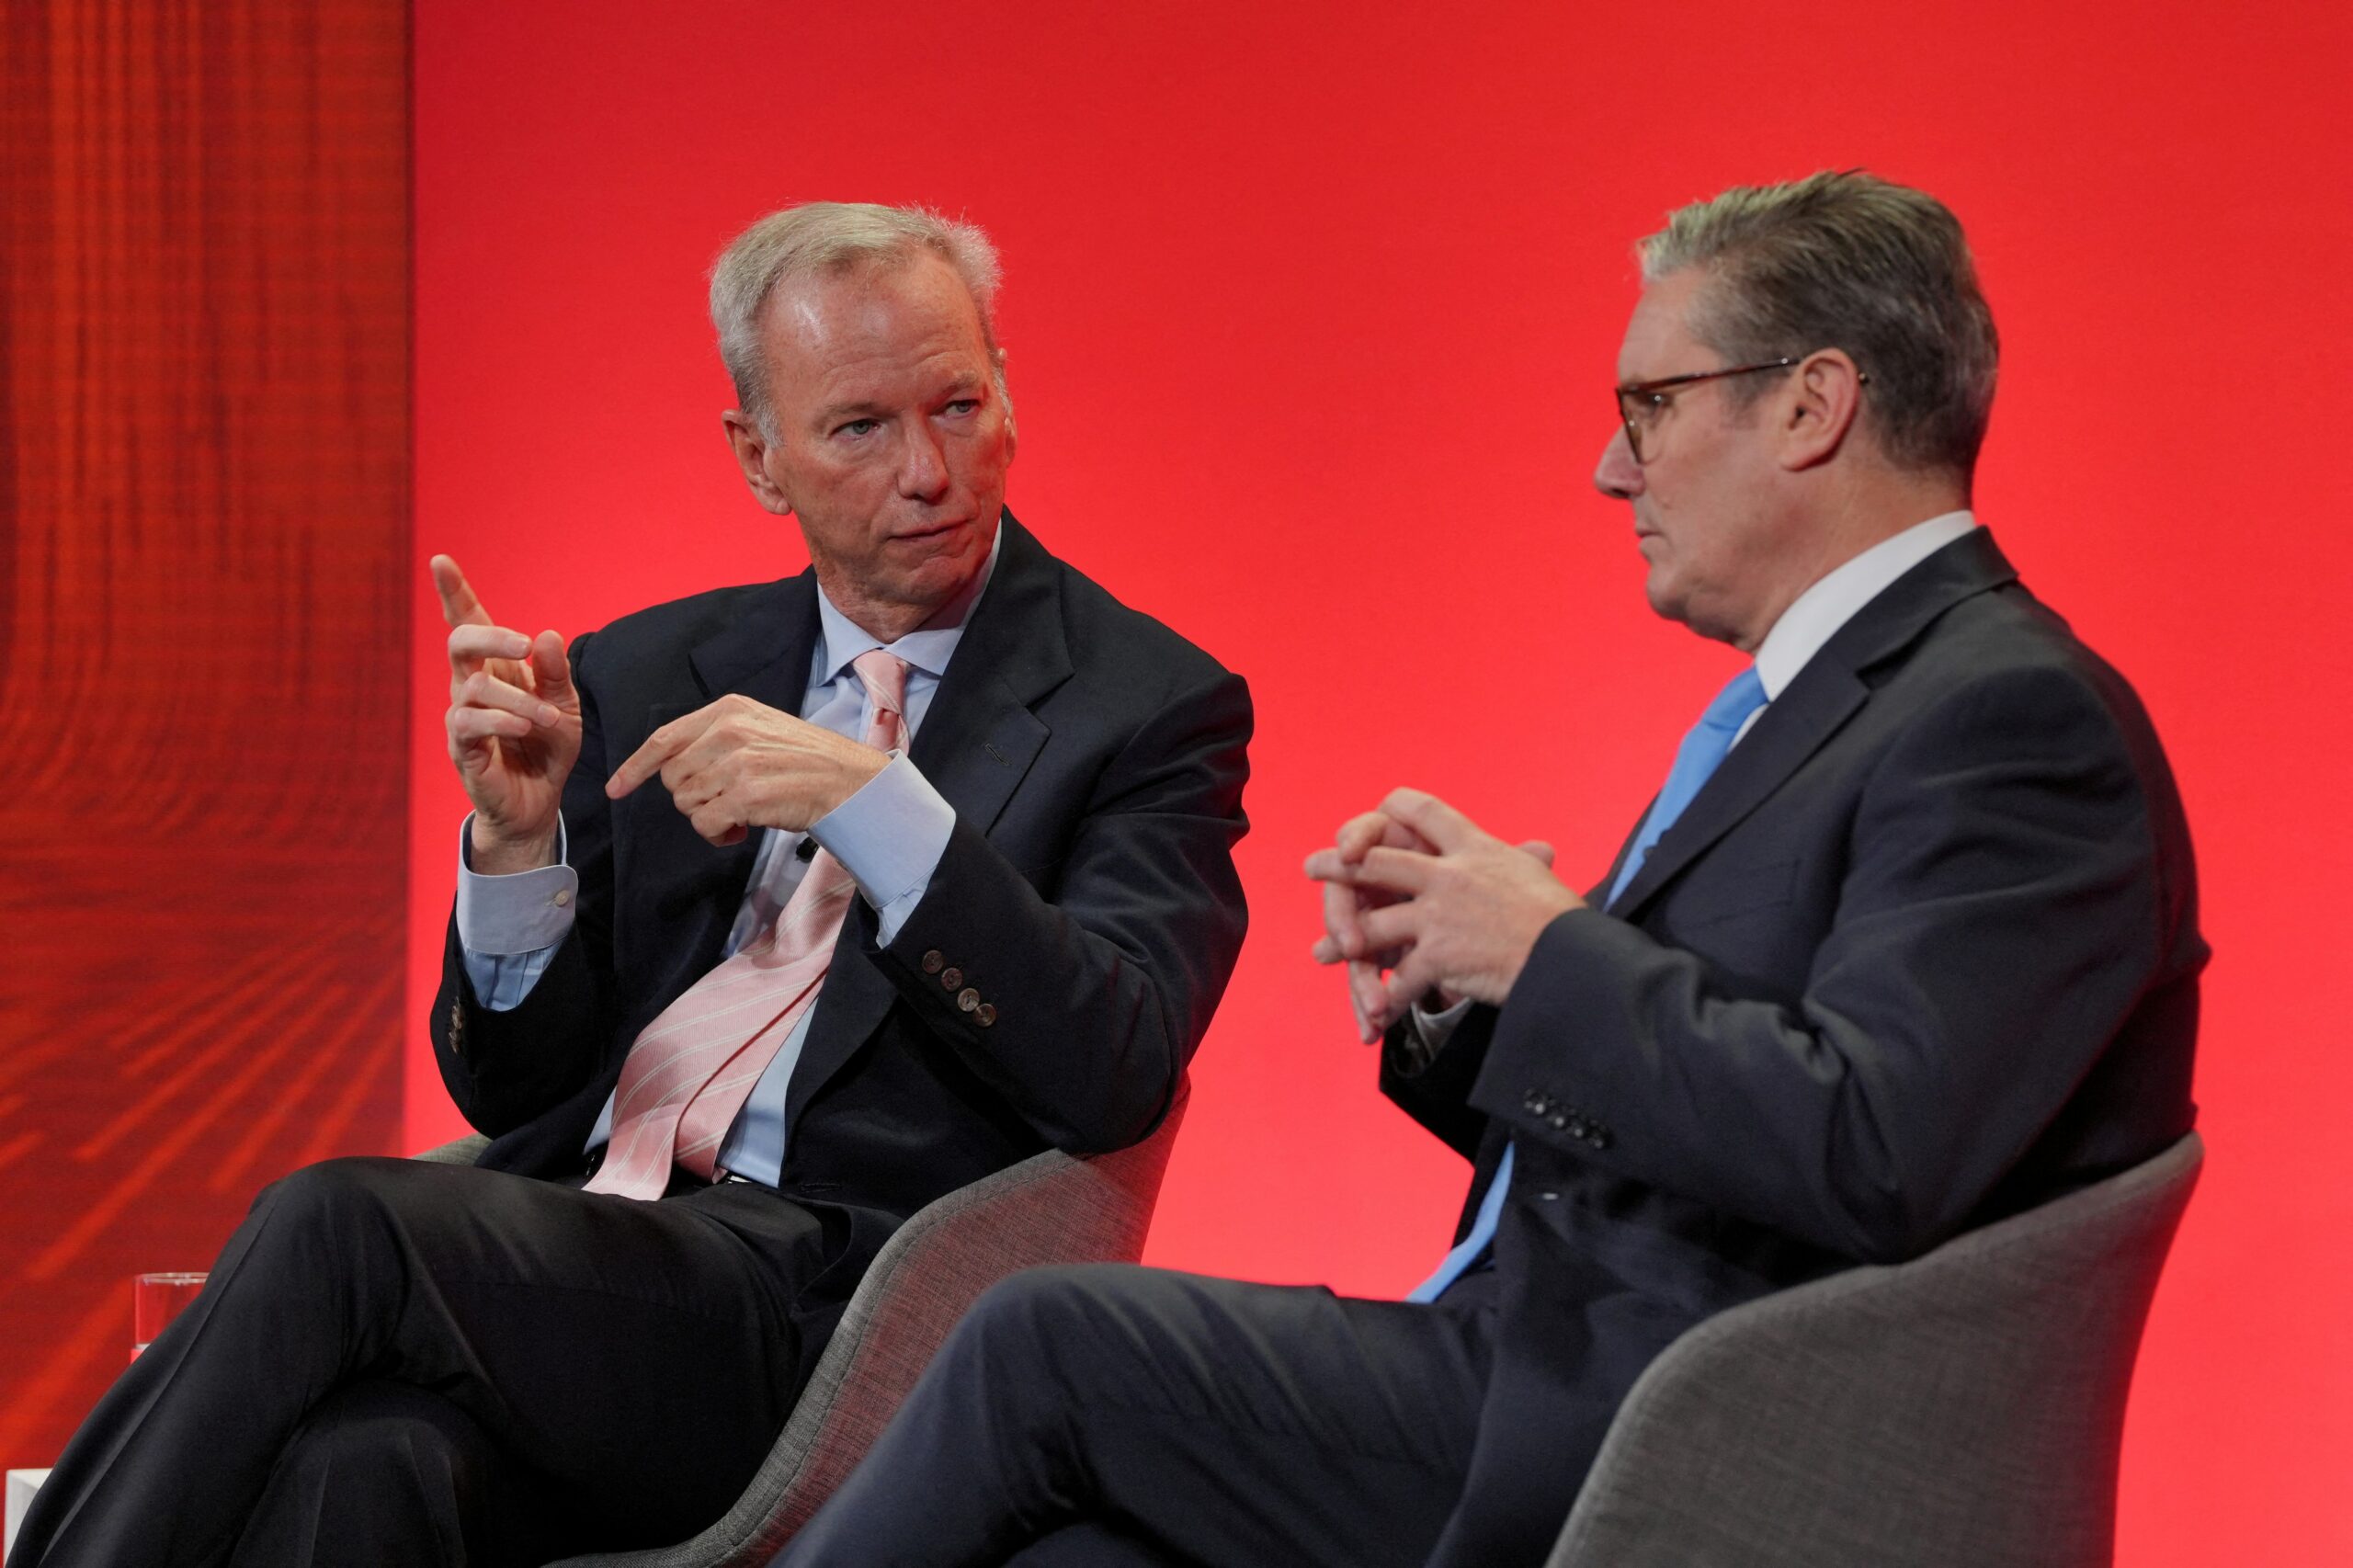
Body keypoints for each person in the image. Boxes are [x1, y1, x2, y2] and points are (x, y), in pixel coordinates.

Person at [772, 171, 2205, 1568]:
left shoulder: (2009, 719)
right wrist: (1474, 996)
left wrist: (1551, 949)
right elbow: (1733, 1102)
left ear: (1813, 405)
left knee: (1047, 1338)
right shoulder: (1839, 702)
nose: (1612, 465)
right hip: (1565, 1364)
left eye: (1652, 404)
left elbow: (1876, 1148)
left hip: (1686, 1422)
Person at [13, 202, 1252, 1567]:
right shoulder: (651, 666)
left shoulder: (1149, 706)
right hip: (593, 1260)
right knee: (366, 1463)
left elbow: (1120, 1062)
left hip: (837, 1311)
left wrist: (879, 809)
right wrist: (519, 847)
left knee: (339, 1219)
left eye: (960, 404)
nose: (930, 472)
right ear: (758, 457)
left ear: (1008, 389)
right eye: (860, 428)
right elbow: (513, 1090)